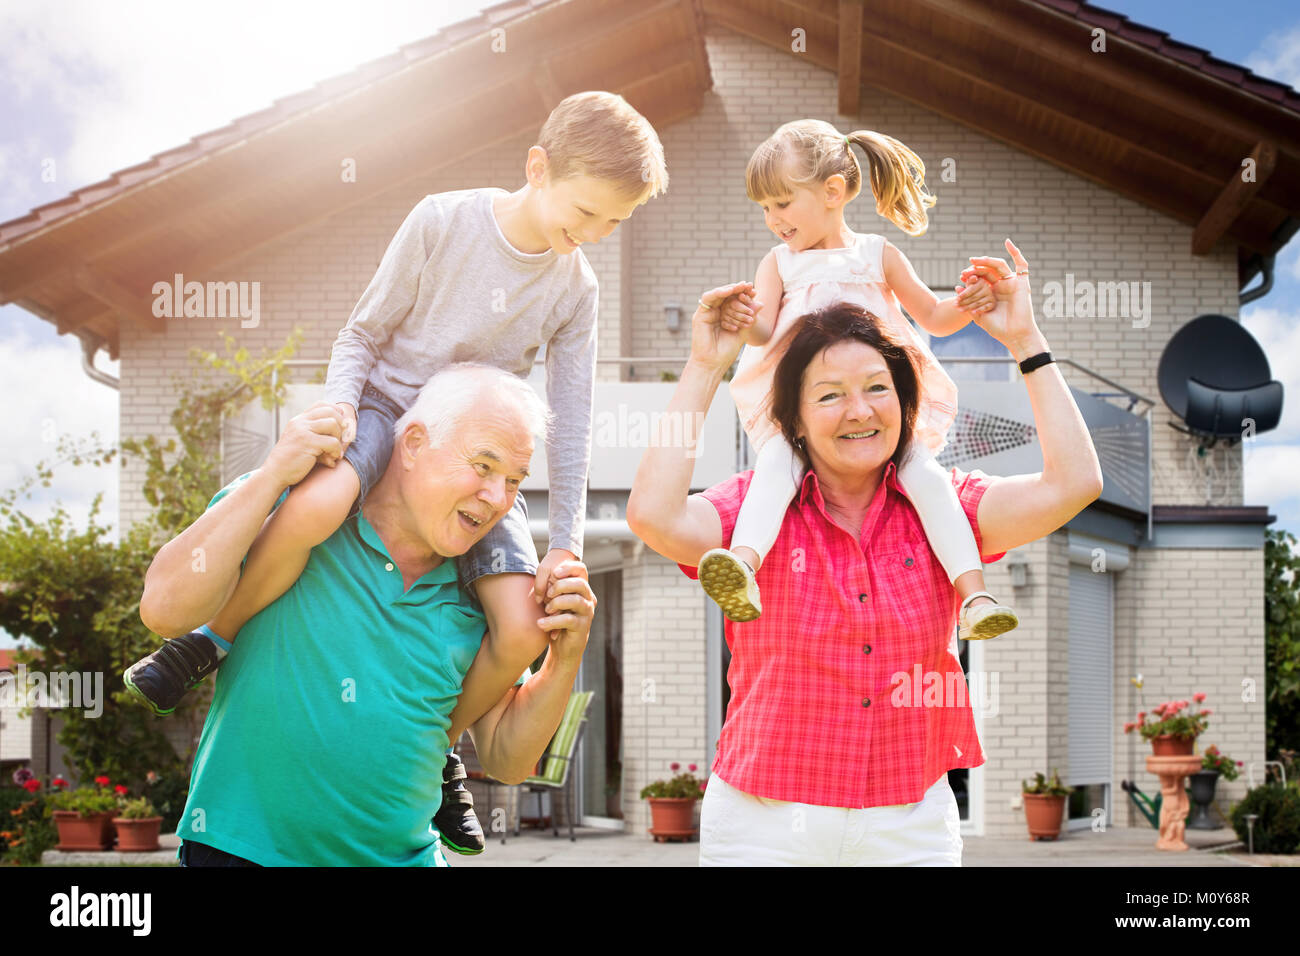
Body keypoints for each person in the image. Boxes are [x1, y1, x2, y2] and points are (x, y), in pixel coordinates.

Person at [124, 90, 666, 853]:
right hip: (385, 412)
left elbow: (571, 426)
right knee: (312, 512)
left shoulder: (576, 288)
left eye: (615, 222)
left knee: (520, 625)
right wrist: (338, 419)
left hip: (475, 434)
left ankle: (440, 750)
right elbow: (362, 332)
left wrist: (566, 542)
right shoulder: (445, 221)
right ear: (537, 168)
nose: (596, 234)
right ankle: (210, 639)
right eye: (587, 212)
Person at [626, 241, 1103, 866]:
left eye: (878, 388)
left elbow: (1075, 485)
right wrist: (701, 366)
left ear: (905, 406)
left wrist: (1026, 342)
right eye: (828, 395)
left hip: (908, 827)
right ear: (793, 421)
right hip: (764, 826)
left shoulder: (946, 511)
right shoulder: (756, 511)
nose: (859, 411)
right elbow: (653, 515)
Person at [138, 364, 597, 866]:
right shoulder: (294, 510)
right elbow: (163, 609)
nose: (497, 499)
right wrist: (271, 475)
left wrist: (565, 657)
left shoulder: (486, 591)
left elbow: (509, 761)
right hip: (241, 854)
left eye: (514, 481)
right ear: (415, 443)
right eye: (483, 466)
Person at [695, 119, 1017, 643]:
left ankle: (975, 596)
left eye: (782, 202)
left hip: (875, 409)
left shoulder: (877, 254)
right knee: (776, 467)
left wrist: (974, 298)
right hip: (806, 410)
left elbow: (933, 315)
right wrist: (738, 315)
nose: (773, 219)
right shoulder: (779, 263)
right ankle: (744, 569)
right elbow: (763, 329)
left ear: (833, 191)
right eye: (765, 208)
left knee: (928, 481)